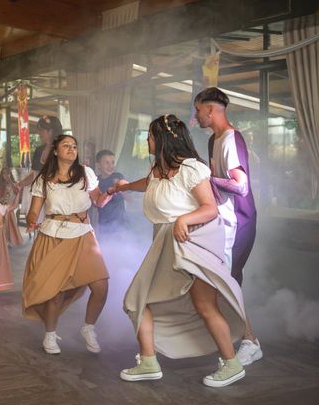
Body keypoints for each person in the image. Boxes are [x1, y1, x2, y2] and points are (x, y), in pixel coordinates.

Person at [112, 114, 247, 387]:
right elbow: (147, 184)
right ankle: (149, 361)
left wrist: (184, 220)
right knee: (139, 302)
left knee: (204, 305)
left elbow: (209, 207)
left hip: (191, 242)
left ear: (162, 139)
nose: (147, 140)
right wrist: (124, 187)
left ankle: (232, 364)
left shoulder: (191, 168)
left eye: (149, 136)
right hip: (164, 243)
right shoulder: (158, 171)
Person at [22, 134, 113, 355]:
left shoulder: (86, 173)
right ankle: (50, 335)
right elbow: (34, 210)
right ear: (55, 151)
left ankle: (88, 328)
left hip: (83, 234)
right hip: (54, 234)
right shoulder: (44, 179)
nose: (72, 149)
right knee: (56, 292)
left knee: (101, 286)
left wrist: (112, 190)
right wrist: (32, 221)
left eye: (74, 146)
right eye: (66, 146)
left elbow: (98, 201)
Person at [194, 87, 262, 367]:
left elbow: (240, 185)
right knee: (223, 282)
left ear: (210, 110)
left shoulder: (231, 138)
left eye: (198, 110)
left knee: (229, 282)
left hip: (238, 221)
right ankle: (237, 337)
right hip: (222, 221)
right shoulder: (214, 140)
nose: (195, 116)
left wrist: (207, 179)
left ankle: (250, 342)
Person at [94, 149, 129, 238]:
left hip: (121, 225)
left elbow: (127, 188)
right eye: (107, 163)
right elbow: (95, 203)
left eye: (112, 162)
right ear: (98, 165)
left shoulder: (117, 176)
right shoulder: (95, 181)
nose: (111, 166)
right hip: (104, 225)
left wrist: (121, 184)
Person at [0, 167, 23, 246]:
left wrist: (9, 180)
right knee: (5, 212)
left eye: (7, 173)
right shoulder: (0, 186)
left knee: (8, 212)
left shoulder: (14, 184)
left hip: (13, 205)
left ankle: (8, 237)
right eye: (4, 173)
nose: (6, 175)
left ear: (10, 174)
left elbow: (16, 191)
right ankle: (5, 237)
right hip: (3, 206)